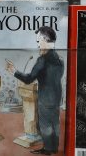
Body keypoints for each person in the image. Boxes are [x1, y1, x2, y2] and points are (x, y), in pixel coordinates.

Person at [5, 26, 64, 155]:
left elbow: (28, 79)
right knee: (55, 123)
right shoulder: (60, 60)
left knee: (45, 125)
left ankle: (48, 149)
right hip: (56, 98)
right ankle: (54, 148)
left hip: (45, 99)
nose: (37, 45)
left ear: (45, 40)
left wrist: (14, 71)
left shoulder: (42, 60)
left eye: (38, 42)